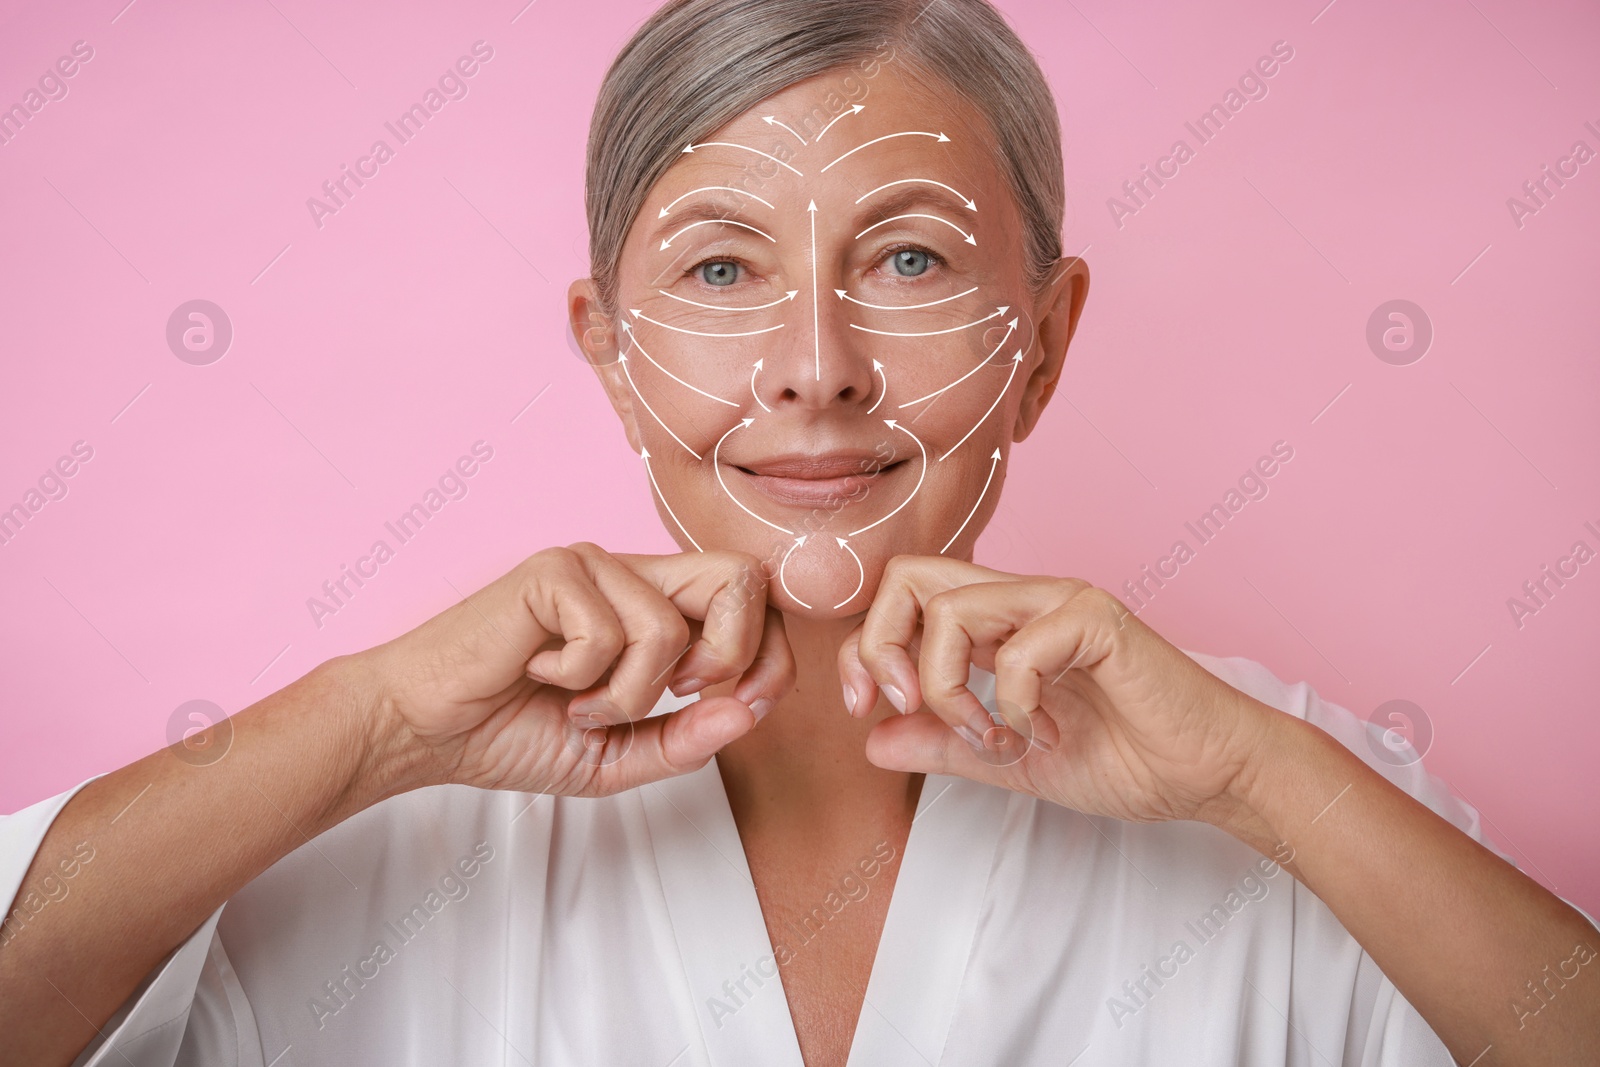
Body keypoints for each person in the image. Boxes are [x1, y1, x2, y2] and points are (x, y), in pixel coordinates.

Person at [2, 0, 1597, 1064]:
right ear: (608, 351)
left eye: (909, 262)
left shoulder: (1300, 809)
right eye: (718, 272)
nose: (817, 363)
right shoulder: (372, 841)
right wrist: (366, 726)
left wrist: (1262, 779)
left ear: (1045, 339)